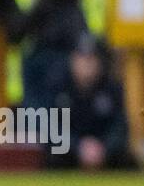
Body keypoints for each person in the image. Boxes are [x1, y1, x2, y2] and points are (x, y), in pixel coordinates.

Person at [6, 0, 103, 110]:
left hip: (73, 91)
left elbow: (93, 39)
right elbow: (13, 34)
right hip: (29, 89)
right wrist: (41, 4)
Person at [50, 34, 133, 170]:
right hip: (69, 155)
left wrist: (104, 147)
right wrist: (78, 147)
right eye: (82, 58)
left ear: (100, 62)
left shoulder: (112, 88)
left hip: (105, 155)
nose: (87, 64)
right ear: (72, 60)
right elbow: (52, 127)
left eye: (92, 59)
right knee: (54, 156)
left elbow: (120, 126)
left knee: (127, 160)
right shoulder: (58, 86)